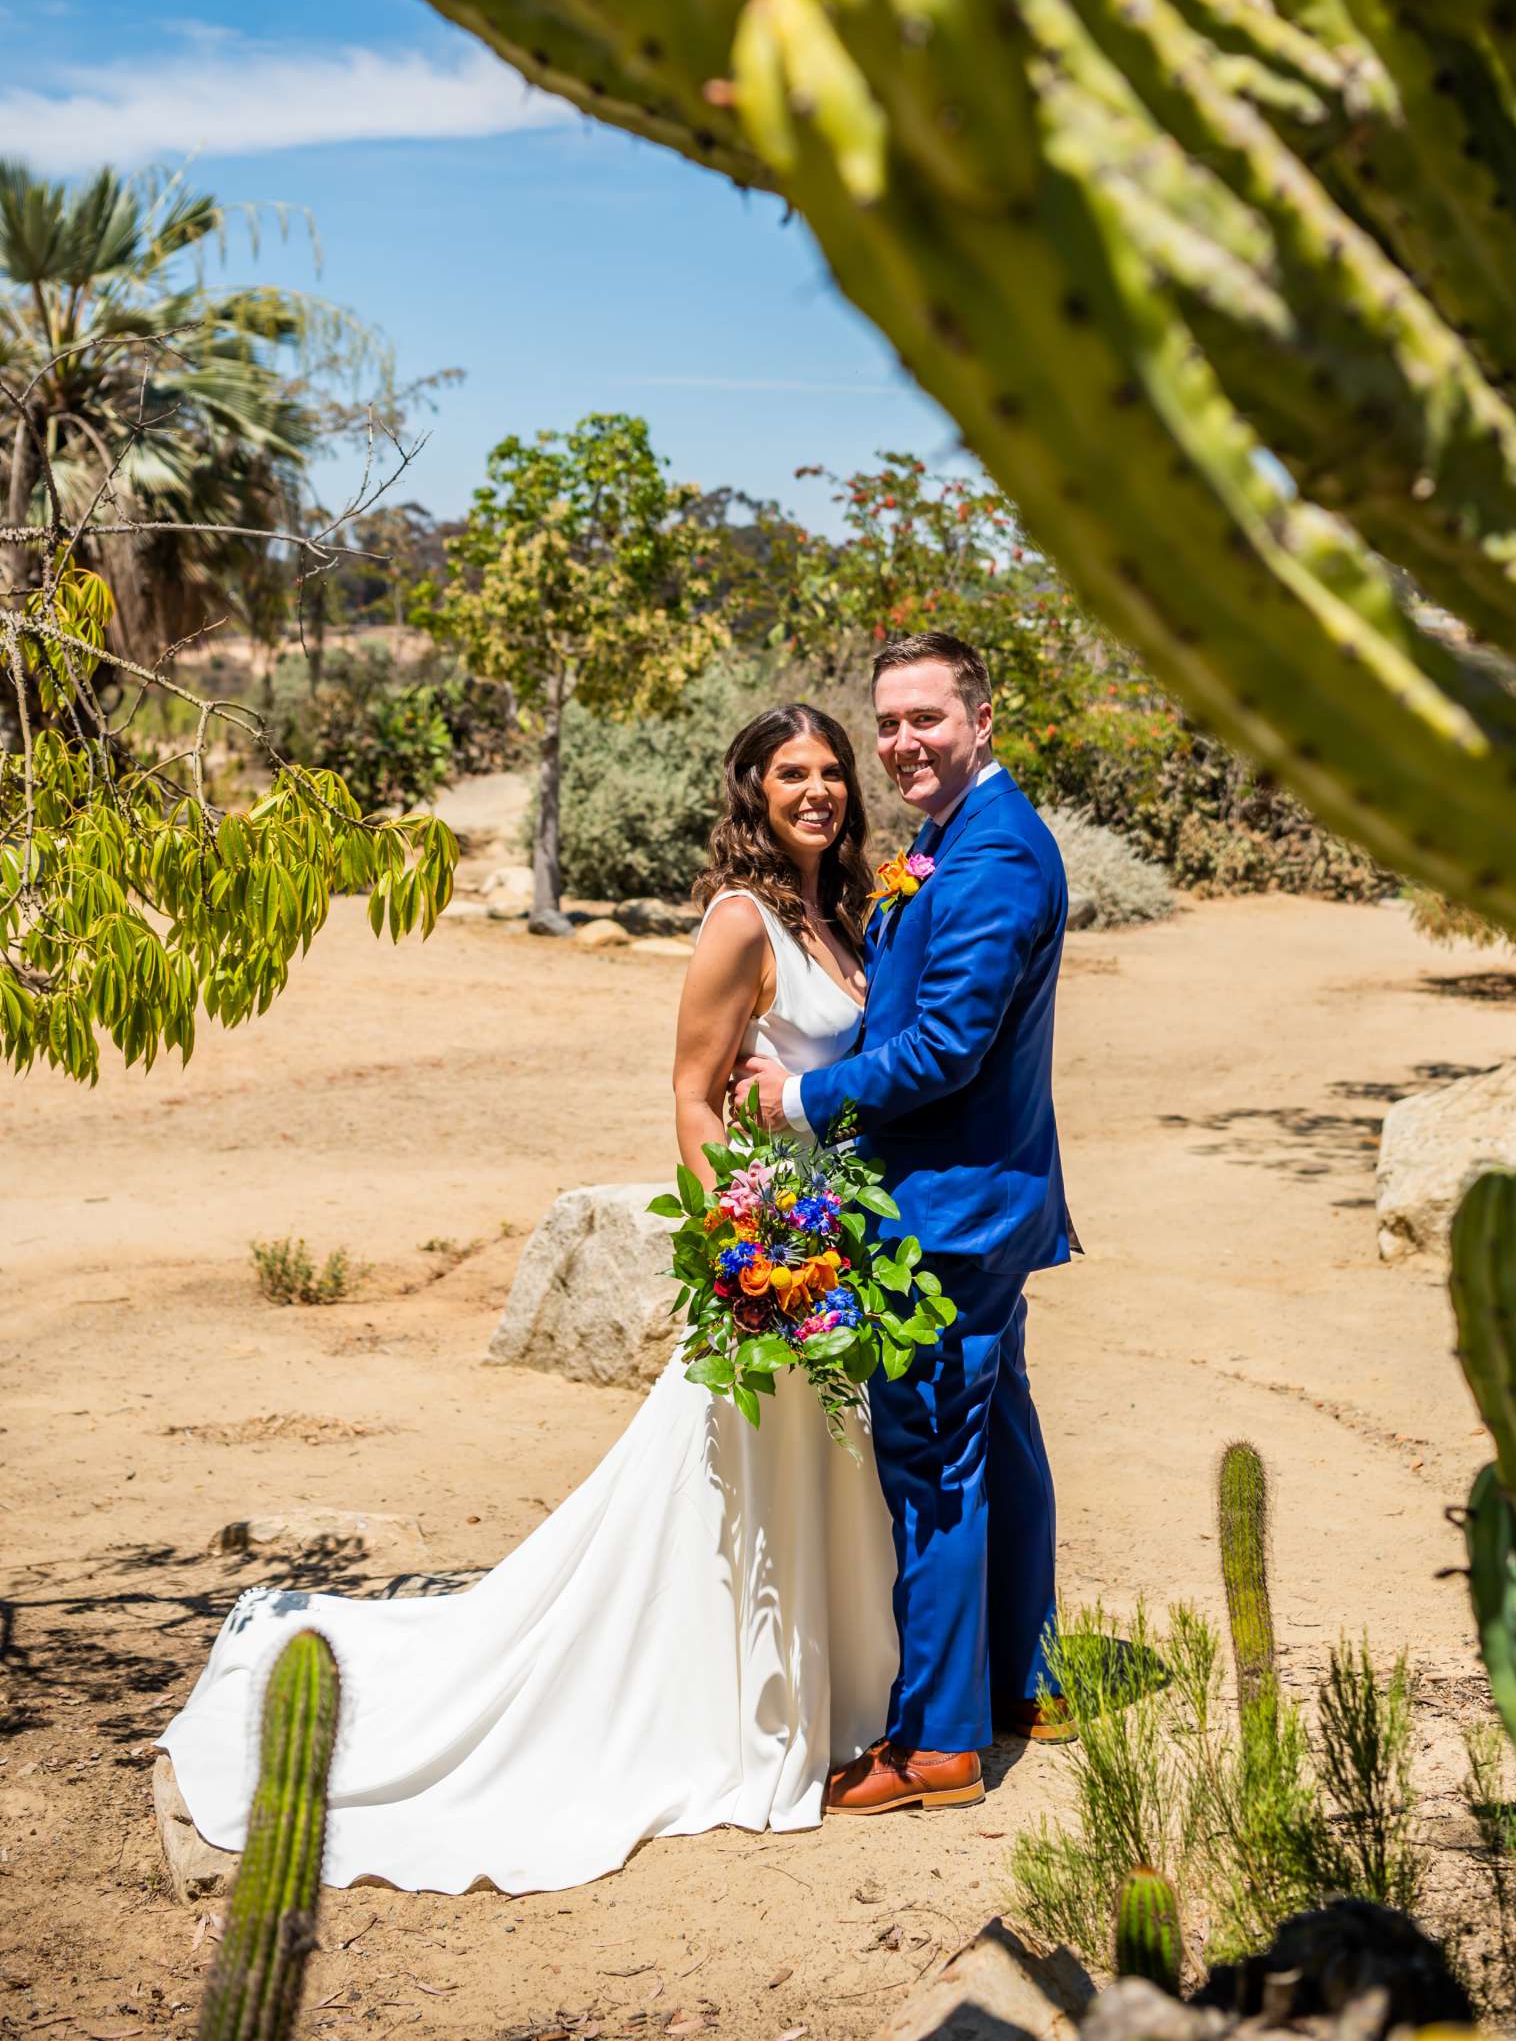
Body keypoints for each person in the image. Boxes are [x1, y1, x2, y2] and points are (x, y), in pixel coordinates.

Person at [153, 703, 901, 1893]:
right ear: (752, 787)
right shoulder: (739, 923)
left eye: (830, 774)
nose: (816, 792)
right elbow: (693, 1097)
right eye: (791, 773)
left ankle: (836, 1700)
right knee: (744, 1484)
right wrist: (741, 1251)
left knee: (827, 1471)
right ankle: (728, 1709)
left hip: (843, 1237)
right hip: (776, 1248)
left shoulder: (851, 915)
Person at [734, 630, 1075, 1816]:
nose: (900, 743)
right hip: (977, 1197)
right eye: (887, 722)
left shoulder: (991, 862)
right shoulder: (951, 839)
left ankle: (937, 1743)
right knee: (1001, 1438)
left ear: (981, 717)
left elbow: (944, 1047)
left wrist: (803, 1097)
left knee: (932, 1460)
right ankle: (1022, 1679)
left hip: (948, 1212)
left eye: (924, 718)